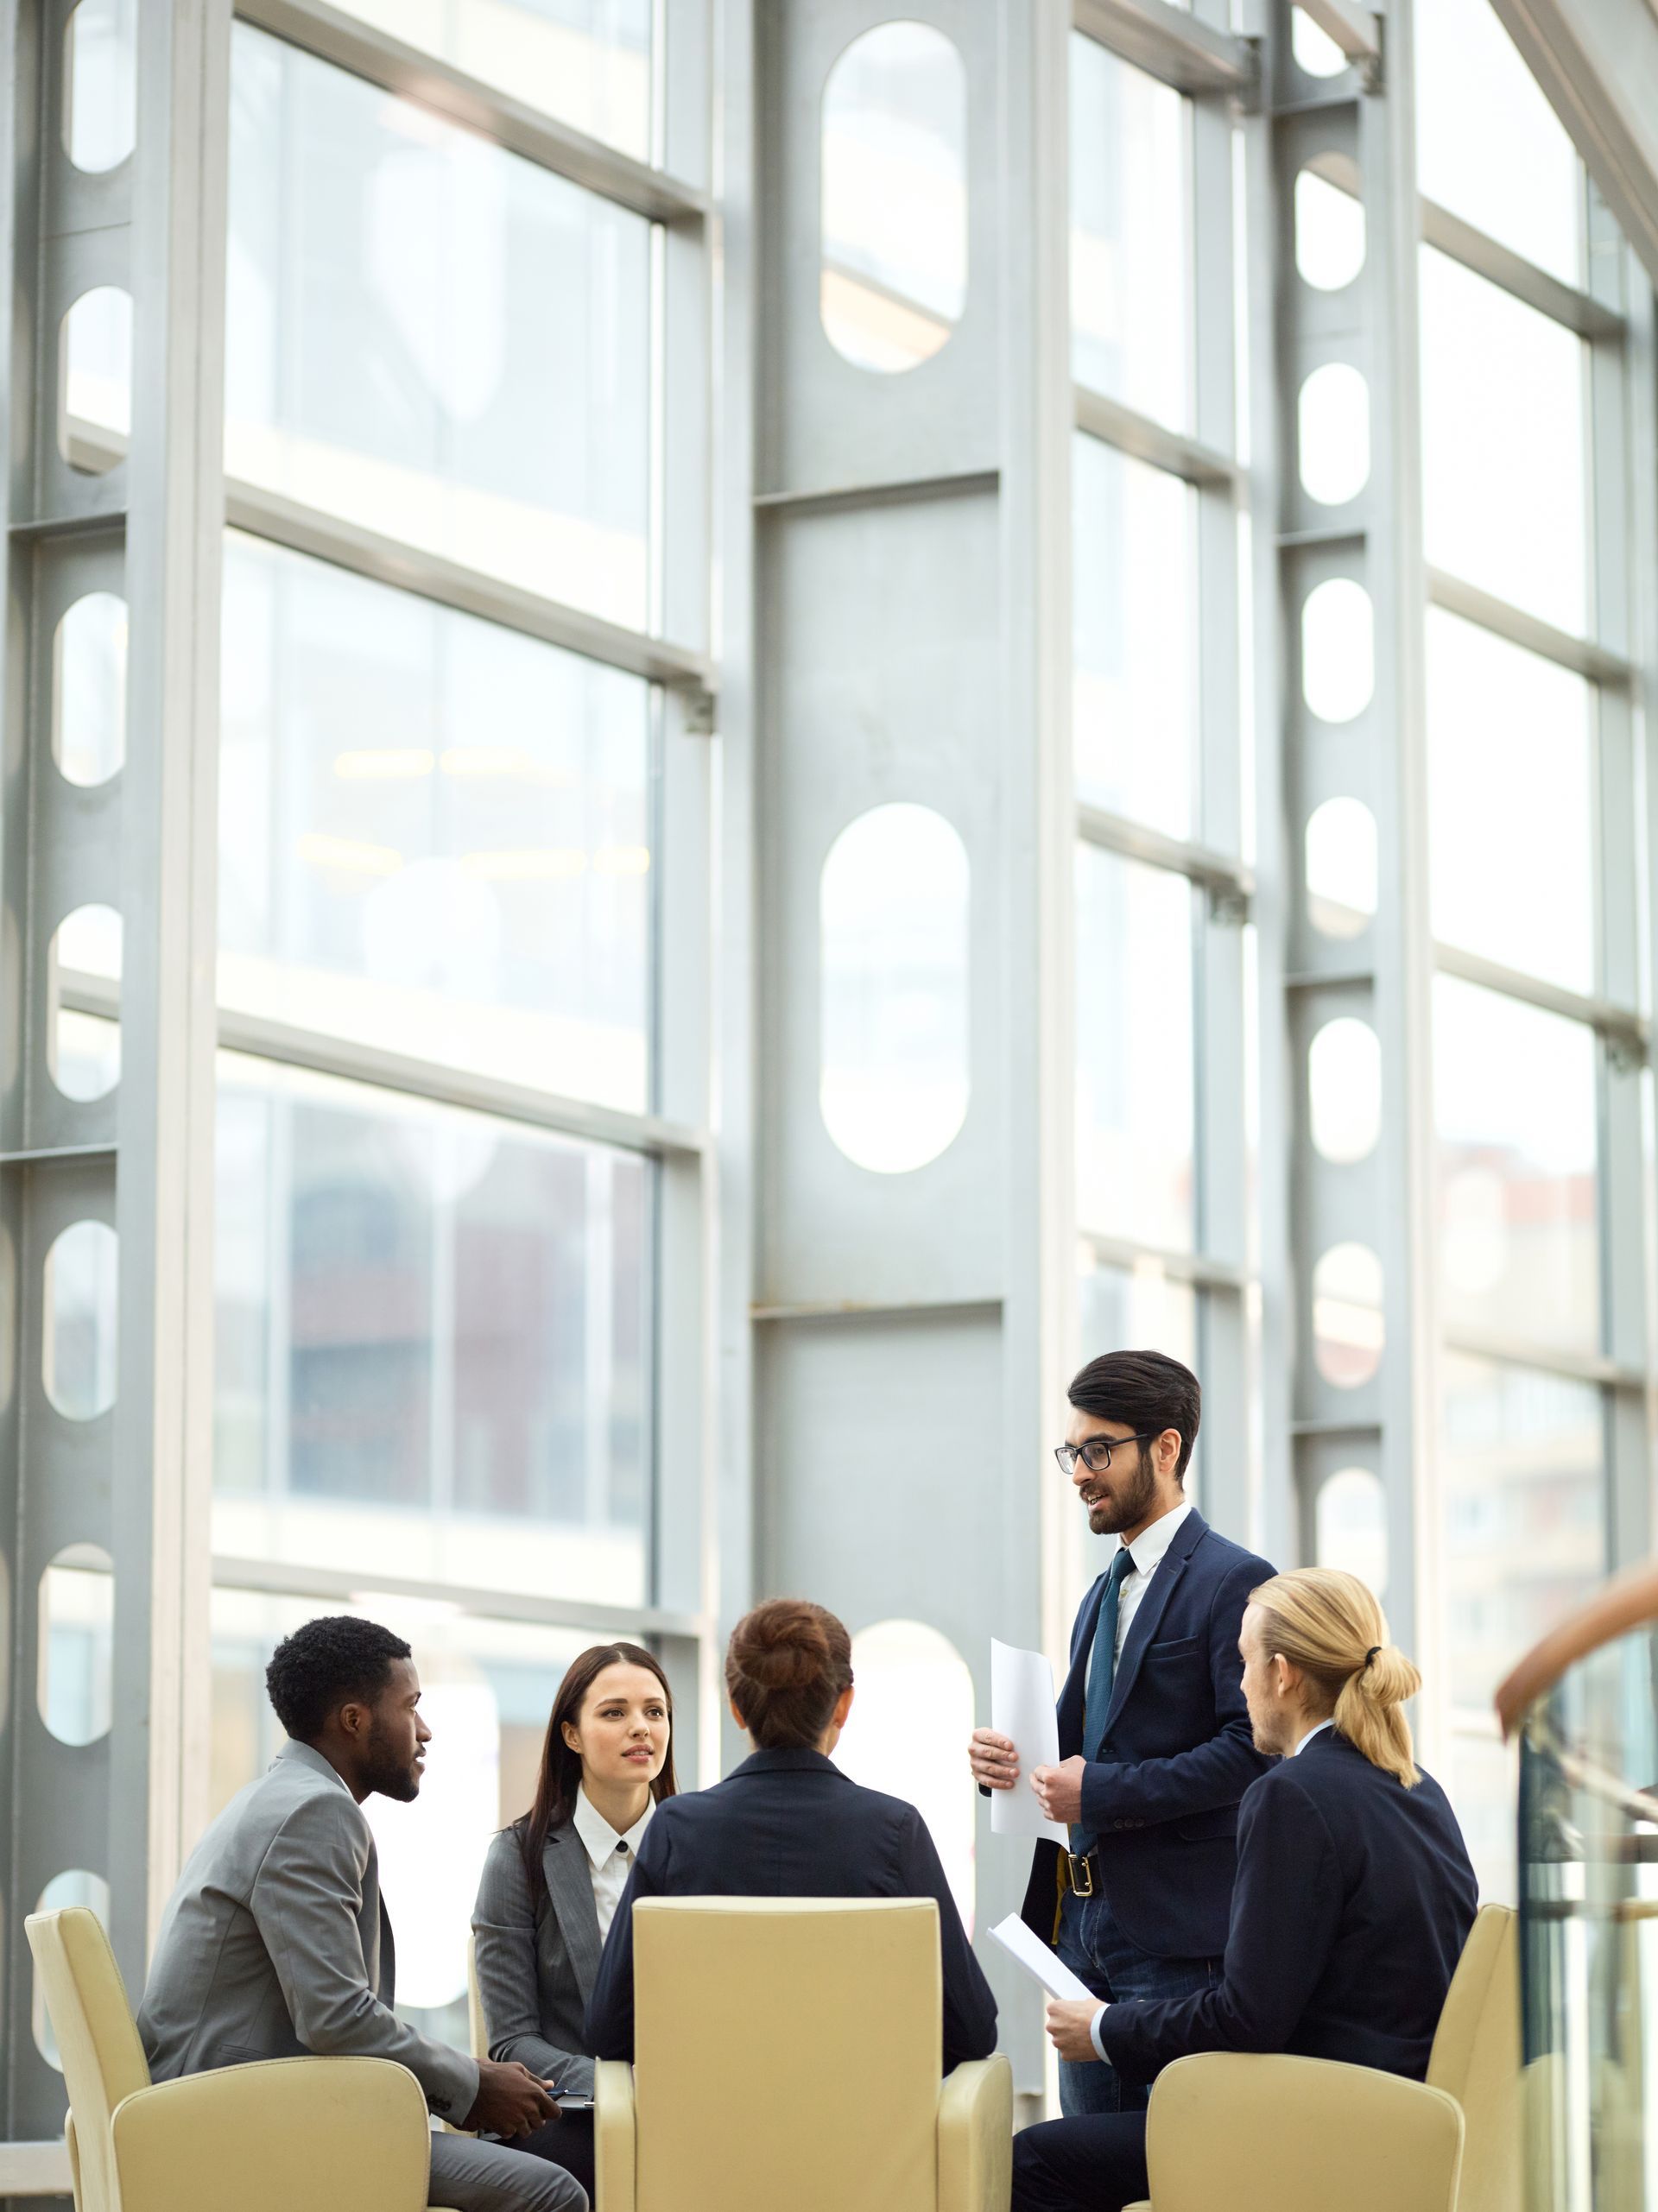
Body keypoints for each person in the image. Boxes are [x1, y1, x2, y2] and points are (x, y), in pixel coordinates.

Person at [1010, 1569, 1480, 2212]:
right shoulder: (1421, 1789)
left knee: (1030, 2162)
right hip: (1399, 2123)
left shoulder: (1291, 1796)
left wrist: (1105, 2028)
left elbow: (1248, 2019)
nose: (1238, 1684)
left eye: (1243, 1663)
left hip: (1309, 2126)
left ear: (1283, 1674)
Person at [136, 1616, 585, 2212]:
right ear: (355, 1720)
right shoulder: (313, 1813)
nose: (424, 1732)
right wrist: (473, 2087)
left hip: (233, 2106)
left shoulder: (280, 1795)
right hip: (237, 2123)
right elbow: (335, 2017)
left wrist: (464, 2077)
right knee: (550, 2192)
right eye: (411, 1707)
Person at [969, 1349, 1275, 2118]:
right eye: (1074, 1452)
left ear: (1165, 1449)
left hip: (1179, 1940)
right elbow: (1083, 1742)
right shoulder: (1102, 1593)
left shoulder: (1234, 1581)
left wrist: (1097, 1789)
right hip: (1084, 1931)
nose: (1079, 1472)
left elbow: (1250, 1751)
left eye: (1098, 1450)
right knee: (1084, 2166)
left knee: (1175, 2164)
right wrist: (1007, 1761)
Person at [585, 1597, 997, 2072]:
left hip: (706, 2139)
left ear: (736, 1708)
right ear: (843, 1704)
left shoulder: (677, 1829)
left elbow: (607, 2029)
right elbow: (974, 2029)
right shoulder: (894, 1831)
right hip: (865, 2137)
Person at [471, 1643, 677, 2201]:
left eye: (654, 1712)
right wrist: (622, 2088)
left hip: (692, 2109)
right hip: (570, 2116)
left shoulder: (703, 1851)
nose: (641, 1728)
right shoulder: (519, 1857)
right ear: (572, 1735)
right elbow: (513, 2041)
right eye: (615, 1713)